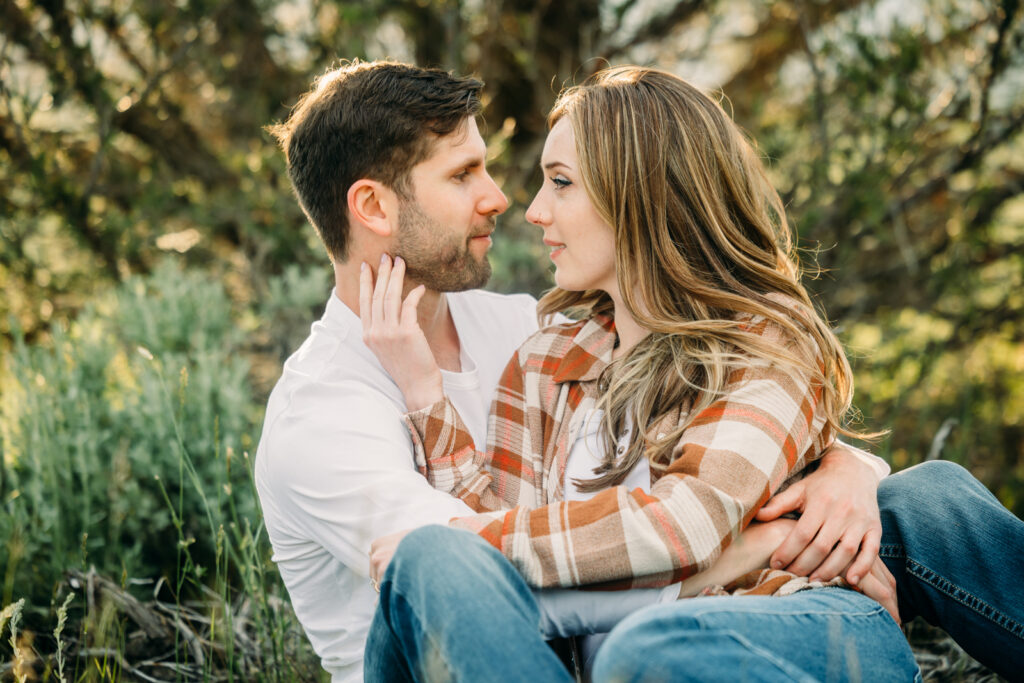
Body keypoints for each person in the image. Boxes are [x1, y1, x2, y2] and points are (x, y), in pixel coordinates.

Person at [360, 66, 1024, 681]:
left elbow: (682, 523)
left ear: (640, 195)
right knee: (431, 561)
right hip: (598, 657)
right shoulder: (544, 363)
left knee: (648, 645)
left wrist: (471, 539)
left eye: (560, 182)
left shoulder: (764, 341)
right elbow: (498, 568)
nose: (533, 210)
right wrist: (425, 395)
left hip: (779, 620)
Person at [255, 60, 898, 683]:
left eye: (552, 181)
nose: (504, 199)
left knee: (925, 504)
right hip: (447, 665)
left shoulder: (524, 329)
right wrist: (757, 543)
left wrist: (845, 465)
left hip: (639, 645)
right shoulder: (323, 416)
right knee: (437, 556)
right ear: (373, 207)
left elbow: (738, 425)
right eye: (463, 175)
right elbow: (473, 580)